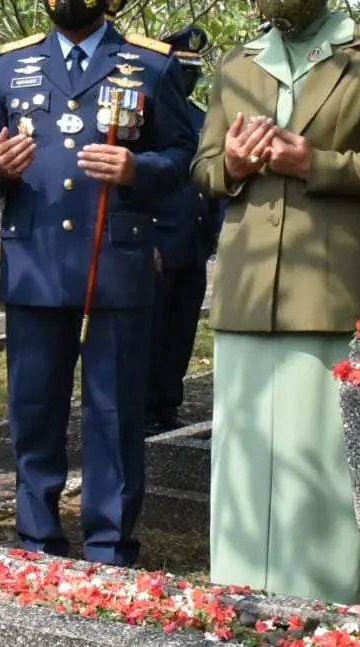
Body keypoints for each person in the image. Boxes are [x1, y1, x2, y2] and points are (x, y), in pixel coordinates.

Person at [191, 0, 360, 607]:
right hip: (246, 283)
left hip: (330, 286)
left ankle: (322, 596)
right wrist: (231, 163)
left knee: (323, 452)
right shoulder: (236, 64)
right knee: (244, 449)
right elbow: (203, 167)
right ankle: (238, 594)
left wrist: (312, 161)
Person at [0, 0, 196, 565]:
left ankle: (108, 540)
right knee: (33, 406)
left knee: (114, 409)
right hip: (36, 259)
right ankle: (37, 535)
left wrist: (137, 167)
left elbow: (186, 153)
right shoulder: (12, 67)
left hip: (114, 261)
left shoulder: (149, 64)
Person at [144, 24, 223, 436]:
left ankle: (167, 405)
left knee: (180, 332)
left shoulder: (199, 117)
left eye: (193, 68)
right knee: (150, 333)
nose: (187, 76)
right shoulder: (143, 112)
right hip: (157, 240)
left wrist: (218, 233)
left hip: (192, 241)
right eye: (180, 67)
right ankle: (143, 408)